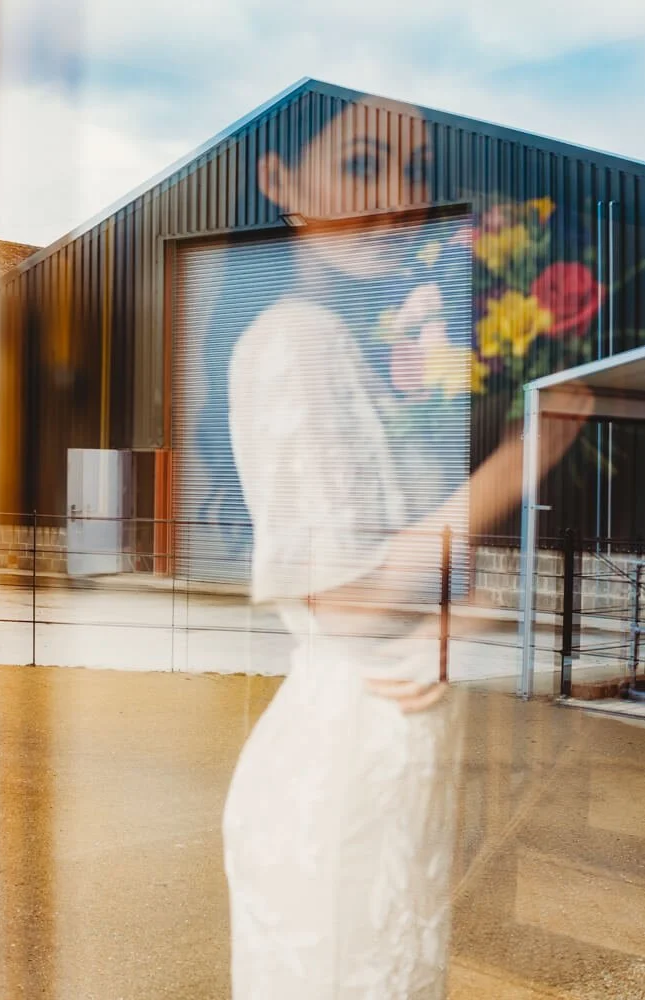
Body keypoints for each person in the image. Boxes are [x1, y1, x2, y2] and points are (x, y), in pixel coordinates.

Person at [213, 100, 593, 999]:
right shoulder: (291, 342)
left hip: (391, 789)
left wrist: (460, 617)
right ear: (280, 183)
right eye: (360, 164)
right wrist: (523, 458)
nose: (396, 197)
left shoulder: (357, 351)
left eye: (415, 171)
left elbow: (404, 584)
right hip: (336, 791)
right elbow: (343, 600)